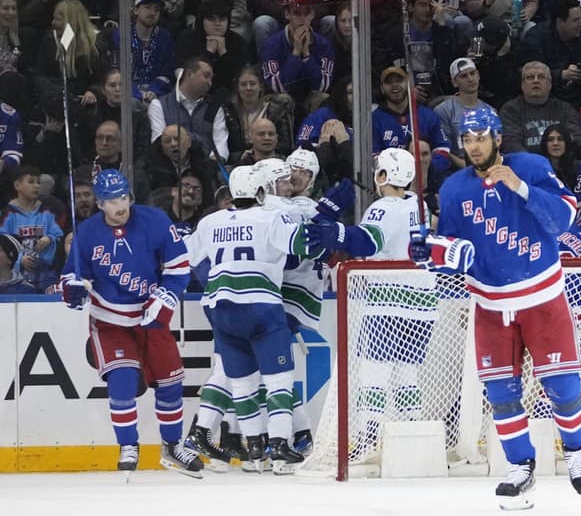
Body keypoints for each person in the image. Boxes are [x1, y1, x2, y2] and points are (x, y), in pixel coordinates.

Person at [410, 107, 581, 509]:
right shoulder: (455, 189)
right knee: (502, 394)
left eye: (479, 137)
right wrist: (435, 251)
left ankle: (577, 450)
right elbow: (453, 247)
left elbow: (565, 217)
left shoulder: (529, 165)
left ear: (496, 136)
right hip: (490, 306)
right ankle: (520, 465)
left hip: (542, 298)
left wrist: (522, 189)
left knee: (562, 390)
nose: (473, 146)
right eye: (466, 139)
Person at [59, 169, 203, 477]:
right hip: (109, 321)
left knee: (170, 384)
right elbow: (72, 278)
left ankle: (173, 446)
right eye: (112, 201)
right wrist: (72, 290)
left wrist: (166, 297)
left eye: (124, 197)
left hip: (150, 316)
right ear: (100, 204)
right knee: (122, 382)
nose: (120, 206)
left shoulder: (155, 221)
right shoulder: (86, 233)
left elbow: (179, 267)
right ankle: (128, 446)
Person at [307, 147, 439, 459]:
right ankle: (410, 430)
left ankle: (368, 437)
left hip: (388, 301)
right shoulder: (420, 206)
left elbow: (368, 242)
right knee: (408, 371)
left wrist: (335, 229)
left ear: (384, 176)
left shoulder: (384, 207)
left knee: (373, 371)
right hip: (423, 303)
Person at [186, 165, 317, 474]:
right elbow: (304, 246)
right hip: (261, 306)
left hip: (220, 308)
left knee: (242, 383)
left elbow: (185, 257)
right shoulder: (272, 216)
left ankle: (254, 449)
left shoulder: (210, 221)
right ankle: (280, 445)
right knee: (278, 381)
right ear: (262, 191)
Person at [148, 55, 230, 161]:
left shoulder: (214, 108)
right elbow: (158, 142)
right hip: (170, 169)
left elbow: (221, 145)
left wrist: (210, 167)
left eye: (211, 78)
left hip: (207, 169)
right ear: (189, 74)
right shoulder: (159, 105)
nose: (210, 83)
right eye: (206, 76)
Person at [520, 0, 581, 106]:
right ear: (560, 22)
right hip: (547, 99)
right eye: (575, 20)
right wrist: (561, 75)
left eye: (580, 19)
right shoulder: (536, 37)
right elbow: (529, 74)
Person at [0, 165, 63, 291]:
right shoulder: (7, 213)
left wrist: (49, 238)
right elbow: (3, 242)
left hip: (45, 272)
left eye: (38, 182)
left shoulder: (46, 210)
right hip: (18, 275)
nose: (36, 186)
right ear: (17, 186)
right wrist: (19, 259)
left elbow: (58, 233)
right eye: (31, 182)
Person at [499, 61, 581, 154]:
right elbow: (510, 144)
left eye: (541, 77)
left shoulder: (565, 109)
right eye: (530, 77)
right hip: (526, 165)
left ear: (550, 84)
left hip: (561, 164)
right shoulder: (510, 110)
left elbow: (578, 140)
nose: (536, 81)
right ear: (522, 85)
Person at [174, 0, 250, 100]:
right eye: (212, 19)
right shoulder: (188, 40)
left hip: (230, 98)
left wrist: (224, 54)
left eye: (222, 19)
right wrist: (208, 53)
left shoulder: (237, 42)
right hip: (193, 96)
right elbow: (186, 76)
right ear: (202, 20)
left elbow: (238, 78)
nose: (218, 24)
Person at [222, 65, 295, 162]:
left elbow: (286, 146)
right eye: (243, 84)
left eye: (252, 84)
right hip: (242, 164)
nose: (248, 88)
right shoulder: (229, 112)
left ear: (260, 86)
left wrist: (263, 153)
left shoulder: (277, 109)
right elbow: (228, 148)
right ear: (238, 88)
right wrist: (240, 156)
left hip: (273, 160)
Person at [434, 57, 496, 165]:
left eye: (472, 73)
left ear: (478, 75)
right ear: (454, 82)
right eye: (463, 76)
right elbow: (444, 151)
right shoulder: (443, 110)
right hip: (455, 172)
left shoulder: (491, 111)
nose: (470, 79)